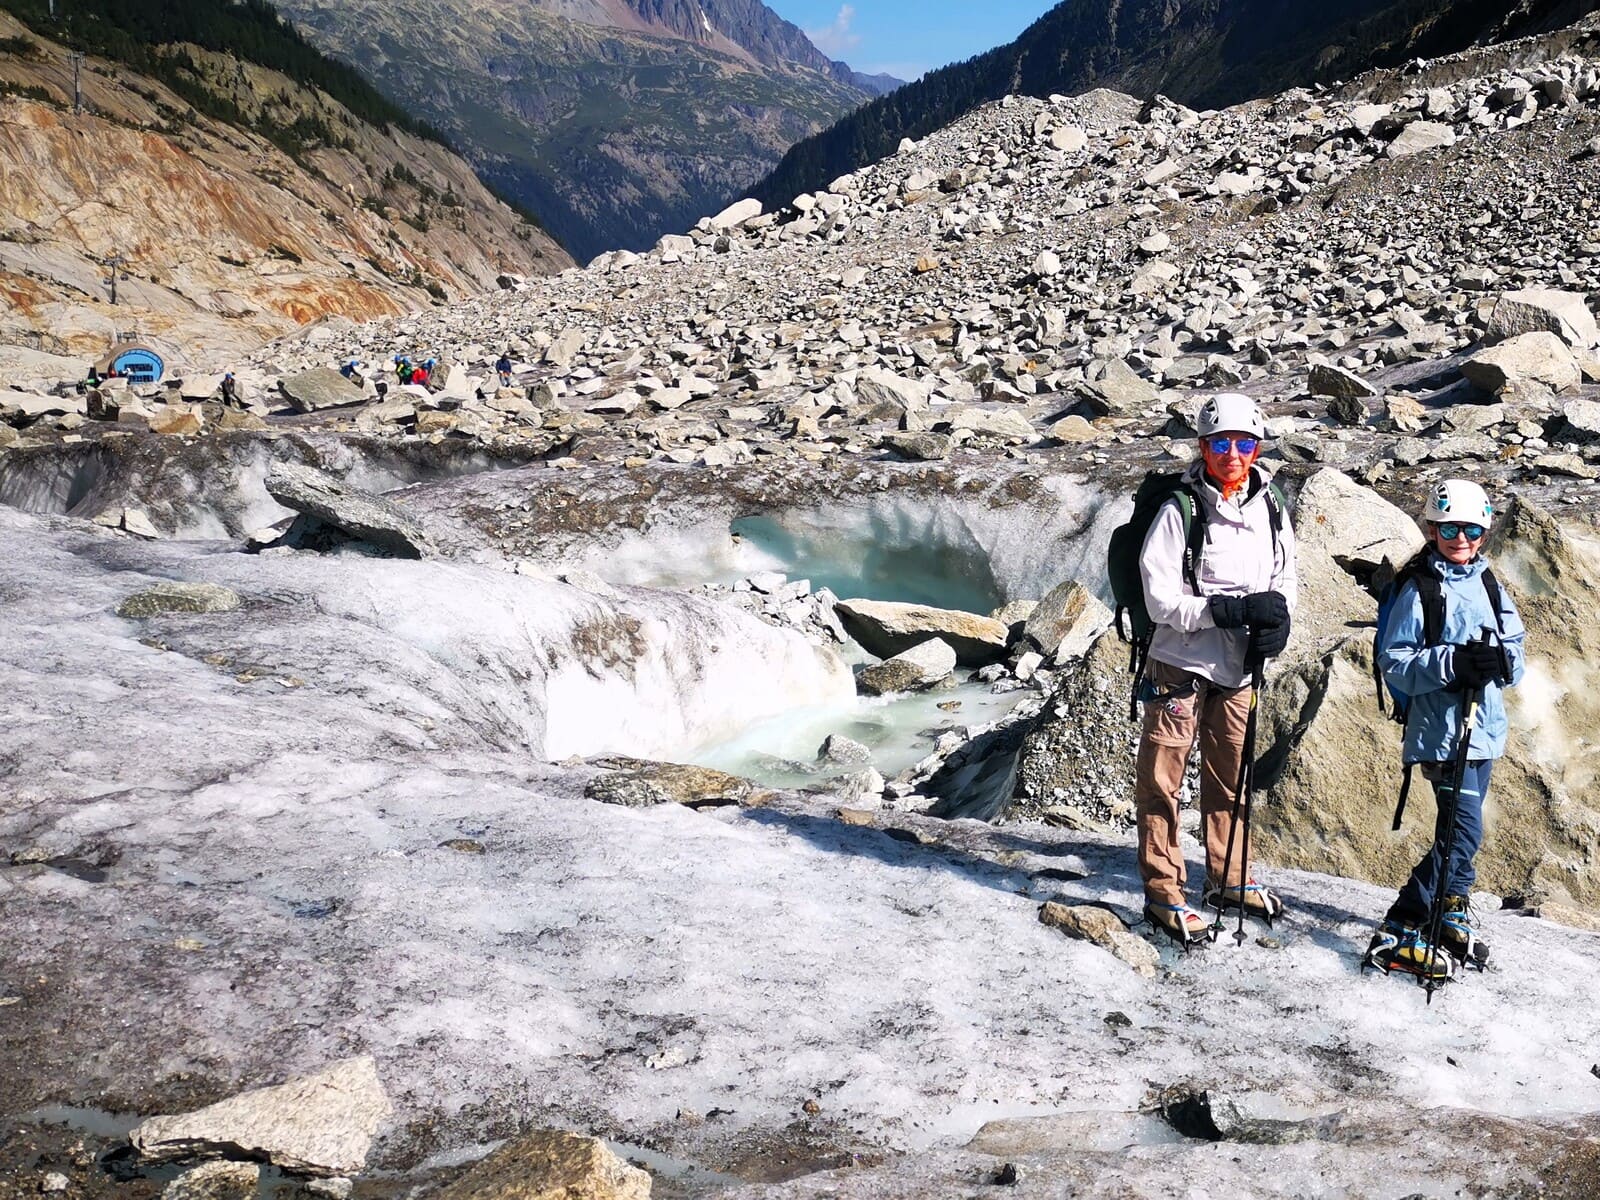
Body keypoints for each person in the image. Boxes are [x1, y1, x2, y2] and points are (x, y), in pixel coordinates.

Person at [1135, 392, 1298, 944]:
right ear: (1203, 447)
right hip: (1180, 663)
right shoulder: (1179, 509)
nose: (1234, 454)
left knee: (1231, 777)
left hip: (1239, 665)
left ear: (1257, 447)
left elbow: (1284, 578)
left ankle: (1227, 876)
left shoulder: (1271, 505)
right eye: (1221, 443)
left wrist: (1278, 622)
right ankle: (1164, 891)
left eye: (1245, 442)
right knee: (1163, 781)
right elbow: (1158, 601)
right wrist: (1221, 611)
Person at [1364, 479, 1525, 980]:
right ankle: (1407, 917)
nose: (1461, 538)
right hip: (1441, 733)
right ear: (1432, 529)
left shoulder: (1488, 583)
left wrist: (1499, 660)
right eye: (1450, 528)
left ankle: (1451, 905)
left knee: (1461, 833)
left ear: (1484, 531)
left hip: (1484, 730)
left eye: (1471, 529)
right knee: (1462, 831)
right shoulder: (1419, 589)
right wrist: (1454, 663)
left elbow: (1516, 656)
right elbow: (1396, 662)